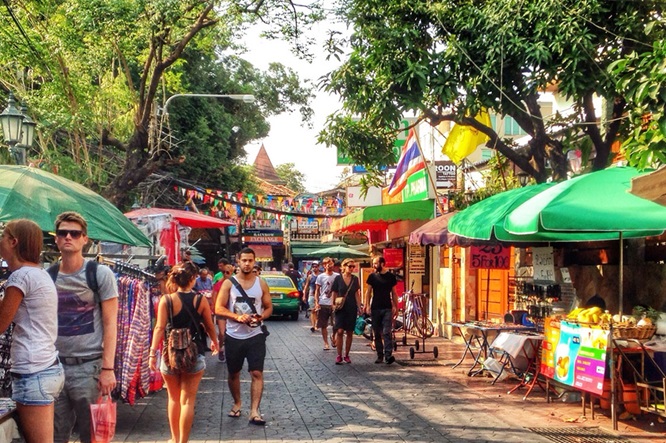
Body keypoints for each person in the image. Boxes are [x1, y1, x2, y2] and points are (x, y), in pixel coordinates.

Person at [51, 212, 119, 443]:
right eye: (63, 233)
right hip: (54, 367)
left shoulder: (99, 274)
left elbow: (111, 323)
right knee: (54, 435)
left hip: (88, 367)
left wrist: (108, 369)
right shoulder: (47, 276)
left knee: (93, 437)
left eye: (74, 233)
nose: (68, 237)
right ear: (56, 239)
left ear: (84, 239)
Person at [0, 219, 64, 442]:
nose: (0, 241)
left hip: (33, 372)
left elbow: (0, 324)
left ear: (13, 242)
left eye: (3, 236)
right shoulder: (39, 274)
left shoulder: (20, 277)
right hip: (46, 367)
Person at [149, 261, 218, 443]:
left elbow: (159, 328)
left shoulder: (167, 300)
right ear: (193, 279)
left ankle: (174, 438)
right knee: (188, 400)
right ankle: (183, 441)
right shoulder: (199, 300)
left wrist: (151, 353)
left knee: (173, 398)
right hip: (194, 353)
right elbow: (210, 325)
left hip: (169, 354)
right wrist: (216, 343)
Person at [215, 247, 273, 426]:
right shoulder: (228, 284)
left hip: (255, 335)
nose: (247, 264)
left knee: (256, 372)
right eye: (244, 260)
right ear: (238, 262)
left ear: (254, 262)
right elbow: (218, 308)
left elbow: (269, 307)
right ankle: (237, 403)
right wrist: (237, 317)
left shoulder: (261, 283)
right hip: (234, 336)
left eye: (250, 260)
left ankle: (254, 411)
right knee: (234, 373)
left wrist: (261, 317)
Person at [365, 255, 398, 365]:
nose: (374, 265)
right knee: (377, 332)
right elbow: (368, 292)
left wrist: (396, 306)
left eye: (375, 263)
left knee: (386, 332)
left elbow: (394, 293)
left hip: (387, 307)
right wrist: (367, 305)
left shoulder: (390, 277)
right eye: (373, 263)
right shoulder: (372, 277)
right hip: (375, 308)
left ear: (382, 264)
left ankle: (388, 355)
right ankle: (380, 355)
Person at [331, 259, 362, 364]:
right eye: (350, 266)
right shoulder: (338, 279)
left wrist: (359, 306)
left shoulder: (355, 279)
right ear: (344, 266)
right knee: (339, 331)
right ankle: (339, 355)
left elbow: (356, 294)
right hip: (340, 308)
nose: (352, 268)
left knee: (349, 331)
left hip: (351, 307)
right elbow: (334, 293)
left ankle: (347, 355)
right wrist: (333, 305)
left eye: (353, 266)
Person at [314, 257, 339, 350]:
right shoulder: (320, 277)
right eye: (328, 264)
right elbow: (317, 290)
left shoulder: (337, 276)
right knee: (323, 325)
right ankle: (326, 343)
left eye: (332, 263)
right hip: (323, 302)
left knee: (336, 324)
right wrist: (317, 302)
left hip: (334, 303)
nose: (331, 265)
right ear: (324, 266)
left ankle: (334, 335)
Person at [211, 264, 234, 363]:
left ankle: (230, 351)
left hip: (232, 312)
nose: (226, 274)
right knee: (222, 332)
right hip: (221, 311)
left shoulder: (235, 284)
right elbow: (214, 297)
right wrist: (215, 309)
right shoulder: (218, 284)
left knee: (231, 333)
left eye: (228, 272)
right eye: (224, 272)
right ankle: (221, 349)